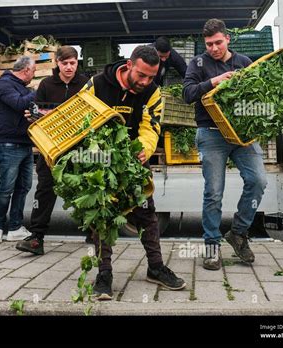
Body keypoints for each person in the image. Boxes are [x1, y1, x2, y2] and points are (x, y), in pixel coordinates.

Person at [82, 45, 187, 300]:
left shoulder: (152, 92)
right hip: (101, 161)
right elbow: (81, 119)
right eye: (141, 75)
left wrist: (145, 149)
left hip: (133, 161)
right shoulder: (96, 84)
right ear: (129, 65)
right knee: (103, 217)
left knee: (146, 214)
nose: (145, 81)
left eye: (151, 77)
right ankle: (104, 275)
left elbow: (151, 125)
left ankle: (155, 267)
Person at [183, 19, 267, 270]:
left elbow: (259, 94)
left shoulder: (244, 62)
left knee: (258, 180)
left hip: (242, 134)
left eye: (218, 42)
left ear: (228, 39)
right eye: (209, 44)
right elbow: (187, 94)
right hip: (211, 134)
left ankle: (238, 232)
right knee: (214, 193)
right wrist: (214, 81)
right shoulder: (197, 64)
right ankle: (211, 246)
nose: (213, 48)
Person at [13, 46, 89, 253]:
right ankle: (36, 237)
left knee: (87, 187)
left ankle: (94, 233)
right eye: (65, 63)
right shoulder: (47, 84)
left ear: (77, 62)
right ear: (57, 63)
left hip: (79, 147)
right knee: (45, 190)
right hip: (51, 148)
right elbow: (37, 110)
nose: (69, 67)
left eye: (72, 63)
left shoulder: (85, 83)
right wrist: (33, 116)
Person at [0, 57, 36, 243]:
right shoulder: (4, 85)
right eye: (33, 72)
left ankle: (15, 227)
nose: (33, 76)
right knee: (6, 188)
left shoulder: (21, 87)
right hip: (9, 144)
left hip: (25, 143)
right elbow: (19, 104)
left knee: (23, 187)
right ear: (26, 70)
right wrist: (37, 92)